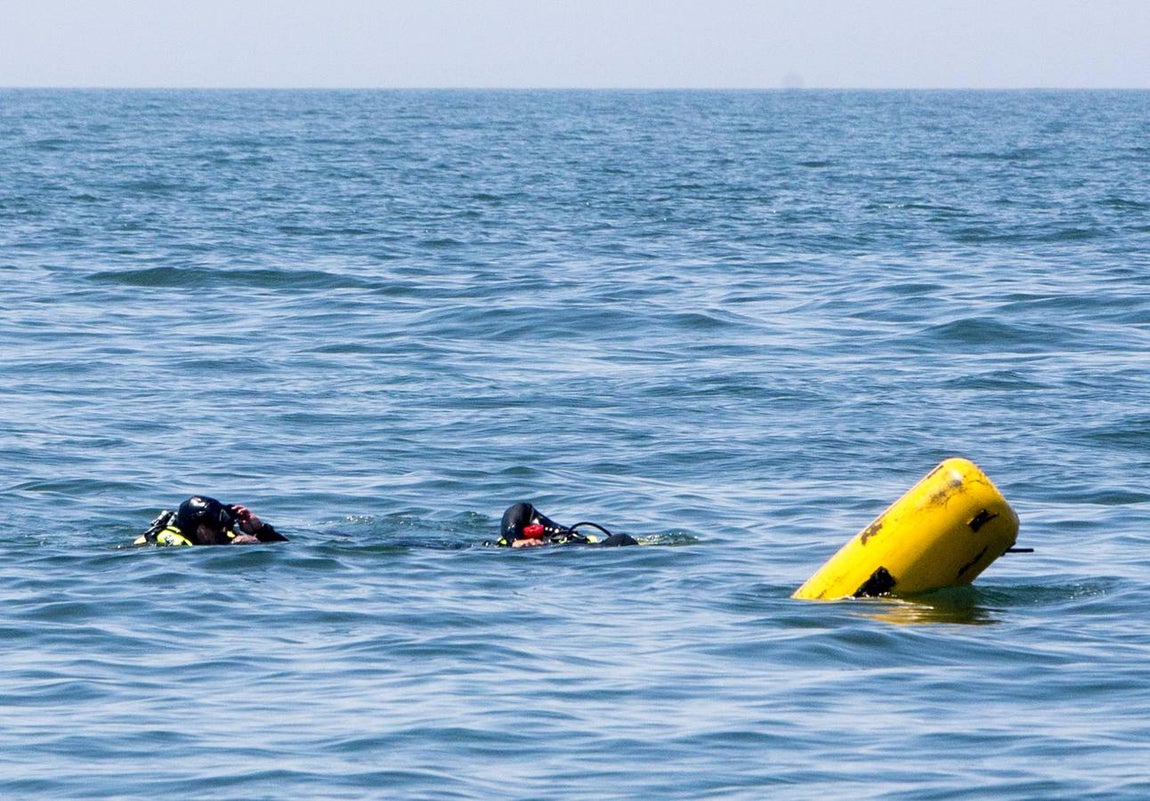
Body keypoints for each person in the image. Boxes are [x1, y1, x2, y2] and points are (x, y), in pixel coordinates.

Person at [134, 495, 288, 547]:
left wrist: (260, 530)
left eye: (225, 525)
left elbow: (284, 549)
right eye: (214, 526)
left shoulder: (222, 536)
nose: (222, 530)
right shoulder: (174, 546)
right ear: (195, 527)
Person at [493, 502, 639, 548]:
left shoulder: (552, 532)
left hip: (585, 548)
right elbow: (516, 512)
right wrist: (516, 541)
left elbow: (519, 508)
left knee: (622, 540)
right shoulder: (507, 541)